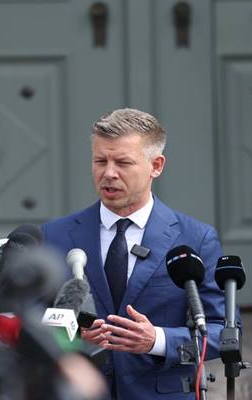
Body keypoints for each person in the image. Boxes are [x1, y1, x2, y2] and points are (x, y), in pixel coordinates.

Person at [42, 108, 232, 399]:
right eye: (100, 161)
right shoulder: (54, 235)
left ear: (156, 165)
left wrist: (156, 340)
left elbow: (224, 333)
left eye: (123, 162)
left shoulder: (196, 238)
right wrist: (71, 335)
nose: (109, 173)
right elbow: (29, 320)